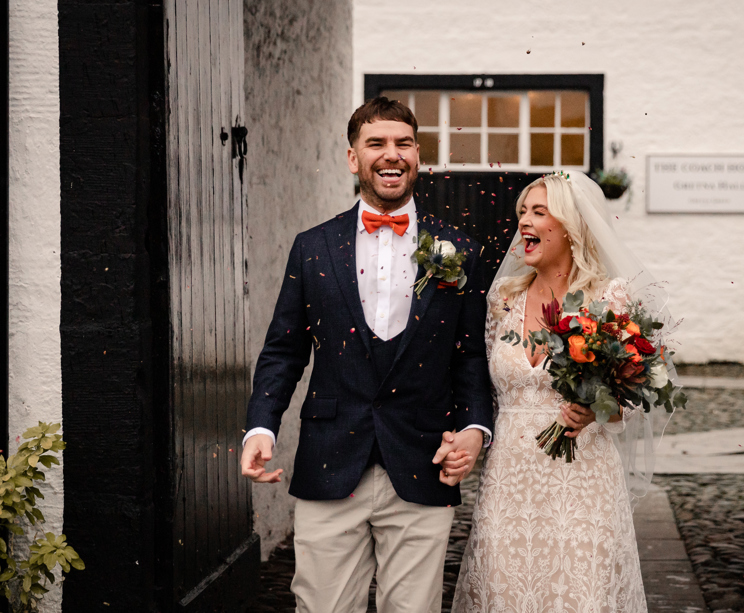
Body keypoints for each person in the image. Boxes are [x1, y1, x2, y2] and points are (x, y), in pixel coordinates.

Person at [239, 97, 494, 613]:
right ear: (353, 157)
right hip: (330, 463)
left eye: (402, 143)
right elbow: (284, 350)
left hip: (423, 462)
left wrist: (473, 430)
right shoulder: (312, 247)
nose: (390, 154)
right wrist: (261, 427)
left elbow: (470, 359)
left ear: (418, 155)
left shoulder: (459, 249)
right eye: (376, 143)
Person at [451, 171, 673, 612]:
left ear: (571, 225)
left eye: (538, 212)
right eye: (522, 214)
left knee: (579, 594)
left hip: (583, 480)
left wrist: (598, 409)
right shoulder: (503, 301)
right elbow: (480, 385)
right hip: (509, 481)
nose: (524, 223)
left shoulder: (609, 298)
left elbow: (635, 392)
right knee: (506, 593)